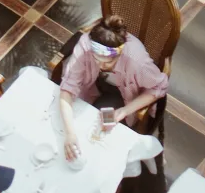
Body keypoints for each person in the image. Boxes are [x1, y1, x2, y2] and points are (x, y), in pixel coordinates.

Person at [58, 15, 168, 161]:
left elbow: (159, 87)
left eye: (107, 63)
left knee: (102, 144)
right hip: (90, 87)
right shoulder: (86, 45)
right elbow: (68, 88)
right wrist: (70, 134)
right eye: (96, 60)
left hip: (126, 96)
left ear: (119, 54)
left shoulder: (136, 61)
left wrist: (125, 111)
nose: (100, 66)